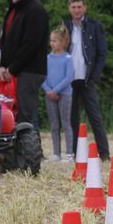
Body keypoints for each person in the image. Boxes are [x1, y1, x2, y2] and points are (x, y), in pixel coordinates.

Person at [0, 0, 49, 125]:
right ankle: (19, 148)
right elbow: (6, 41)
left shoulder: (36, 10)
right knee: (12, 113)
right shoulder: (14, 9)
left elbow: (31, 44)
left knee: (25, 116)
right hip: (13, 70)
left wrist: (11, 68)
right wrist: (1, 65)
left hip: (29, 71)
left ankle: (31, 149)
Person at [65, 0, 111, 162]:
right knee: (72, 120)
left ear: (84, 7)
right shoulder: (65, 27)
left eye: (79, 7)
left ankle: (104, 154)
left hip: (87, 79)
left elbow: (102, 54)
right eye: (73, 7)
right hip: (69, 81)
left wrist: (94, 77)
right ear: (69, 8)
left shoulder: (95, 26)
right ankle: (77, 155)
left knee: (95, 117)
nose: (76, 10)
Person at [42, 26, 74, 162]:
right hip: (49, 95)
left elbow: (69, 77)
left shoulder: (68, 58)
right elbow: (42, 76)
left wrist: (55, 91)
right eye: (51, 41)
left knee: (66, 124)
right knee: (54, 125)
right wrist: (48, 90)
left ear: (62, 42)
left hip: (64, 95)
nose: (51, 43)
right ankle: (56, 153)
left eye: (54, 41)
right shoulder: (47, 58)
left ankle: (69, 154)